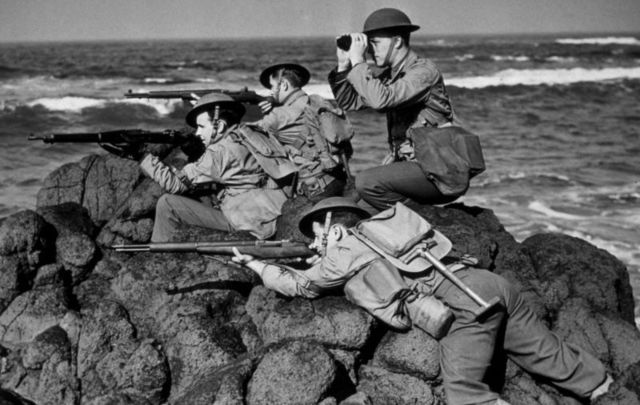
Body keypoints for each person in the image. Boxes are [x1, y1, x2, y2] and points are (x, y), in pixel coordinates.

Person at [232, 197, 613, 404]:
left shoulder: (344, 247)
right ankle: (606, 390)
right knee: (546, 354)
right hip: (488, 284)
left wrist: (255, 264)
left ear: (332, 225)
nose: (316, 243)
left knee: (465, 396)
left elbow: (302, 287)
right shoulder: (388, 230)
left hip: (464, 304)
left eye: (317, 234)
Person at [328, 8, 474, 211]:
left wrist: (360, 62)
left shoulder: (423, 72)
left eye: (375, 43)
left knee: (366, 182)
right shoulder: (391, 76)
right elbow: (350, 103)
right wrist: (344, 65)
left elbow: (381, 100)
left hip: (440, 171)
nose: (371, 50)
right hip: (415, 168)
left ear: (397, 42)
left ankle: (425, 219)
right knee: (354, 207)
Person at [138, 93, 288, 242]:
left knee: (167, 204)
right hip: (273, 210)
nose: (198, 133)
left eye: (201, 127)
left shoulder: (219, 152)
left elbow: (176, 184)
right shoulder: (252, 132)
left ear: (220, 125)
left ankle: (159, 251)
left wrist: (142, 157)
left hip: (251, 224)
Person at [253, 62, 352, 200]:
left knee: (283, 218)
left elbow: (247, 134)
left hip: (316, 188)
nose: (270, 92)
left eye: (272, 86)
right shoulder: (318, 101)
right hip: (340, 178)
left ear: (284, 85)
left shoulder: (278, 114)